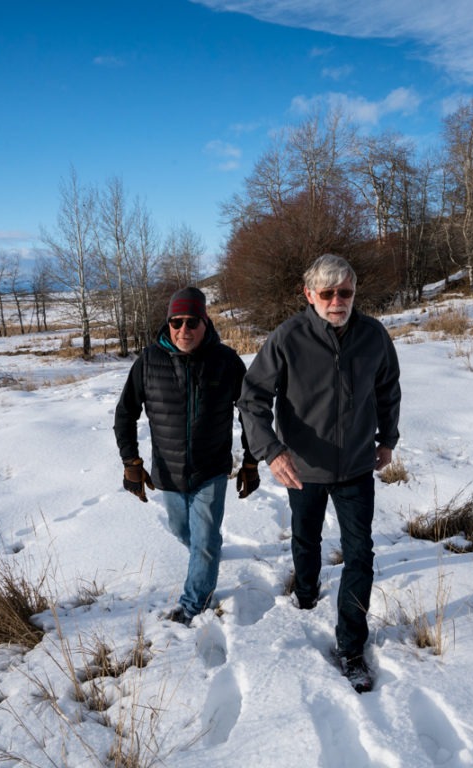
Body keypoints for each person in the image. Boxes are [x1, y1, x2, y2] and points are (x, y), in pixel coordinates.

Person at [237, 254, 400, 693]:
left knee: (359, 553)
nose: (336, 301)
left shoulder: (373, 335)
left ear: (354, 294)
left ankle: (351, 646)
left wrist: (388, 438)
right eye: (326, 293)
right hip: (303, 467)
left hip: (356, 468)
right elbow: (252, 400)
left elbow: (388, 388)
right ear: (309, 295)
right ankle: (306, 592)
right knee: (305, 536)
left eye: (344, 293)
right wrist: (271, 452)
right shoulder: (287, 338)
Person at [114, 287, 259, 626]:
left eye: (191, 322)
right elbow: (125, 413)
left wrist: (251, 461)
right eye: (176, 322)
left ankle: (193, 604)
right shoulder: (148, 362)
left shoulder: (226, 362)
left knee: (205, 540)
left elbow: (250, 413)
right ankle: (205, 555)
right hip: (168, 472)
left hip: (211, 469)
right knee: (185, 533)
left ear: (205, 322)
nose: (183, 330)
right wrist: (131, 462)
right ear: (168, 324)